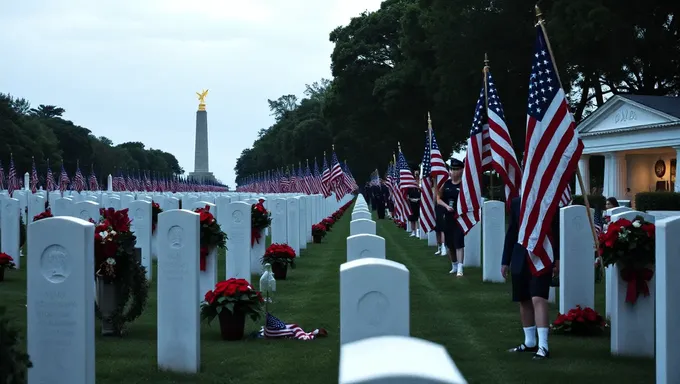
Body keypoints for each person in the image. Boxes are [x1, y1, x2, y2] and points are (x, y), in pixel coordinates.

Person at [501, 196, 560, 360]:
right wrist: (505, 260)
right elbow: (512, 232)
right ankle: (530, 342)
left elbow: (556, 230)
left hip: (542, 254)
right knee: (524, 299)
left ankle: (543, 346)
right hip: (520, 255)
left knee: (538, 298)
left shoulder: (549, 198)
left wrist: (557, 258)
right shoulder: (516, 203)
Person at [436, 158, 465, 276]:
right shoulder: (446, 184)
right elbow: (438, 199)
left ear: (461, 170)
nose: (454, 172)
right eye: (452, 169)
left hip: (459, 218)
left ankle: (460, 268)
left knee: (458, 242)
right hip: (448, 217)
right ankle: (454, 265)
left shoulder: (464, 185)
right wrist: (446, 206)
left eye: (457, 169)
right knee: (449, 244)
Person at [407, 171, 422, 237]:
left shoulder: (421, 183)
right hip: (412, 202)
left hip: (419, 202)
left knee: (418, 218)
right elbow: (407, 196)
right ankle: (413, 231)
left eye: (417, 175)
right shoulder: (410, 186)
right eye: (415, 175)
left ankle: (418, 231)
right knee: (412, 218)